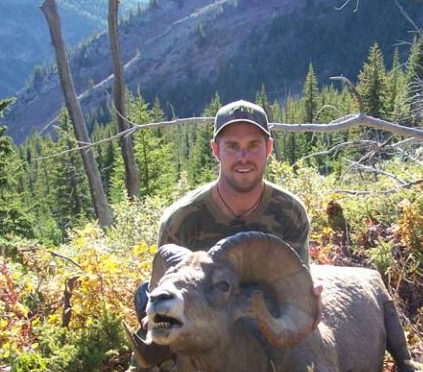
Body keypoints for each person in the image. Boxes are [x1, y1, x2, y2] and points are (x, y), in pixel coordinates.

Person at [133, 99, 318, 346]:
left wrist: (309, 301)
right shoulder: (182, 219)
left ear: (269, 148)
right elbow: (164, 290)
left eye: (253, 145)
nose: (243, 157)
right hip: (199, 332)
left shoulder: (289, 212)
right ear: (216, 150)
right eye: (232, 146)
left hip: (262, 329)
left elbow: (295, 287)